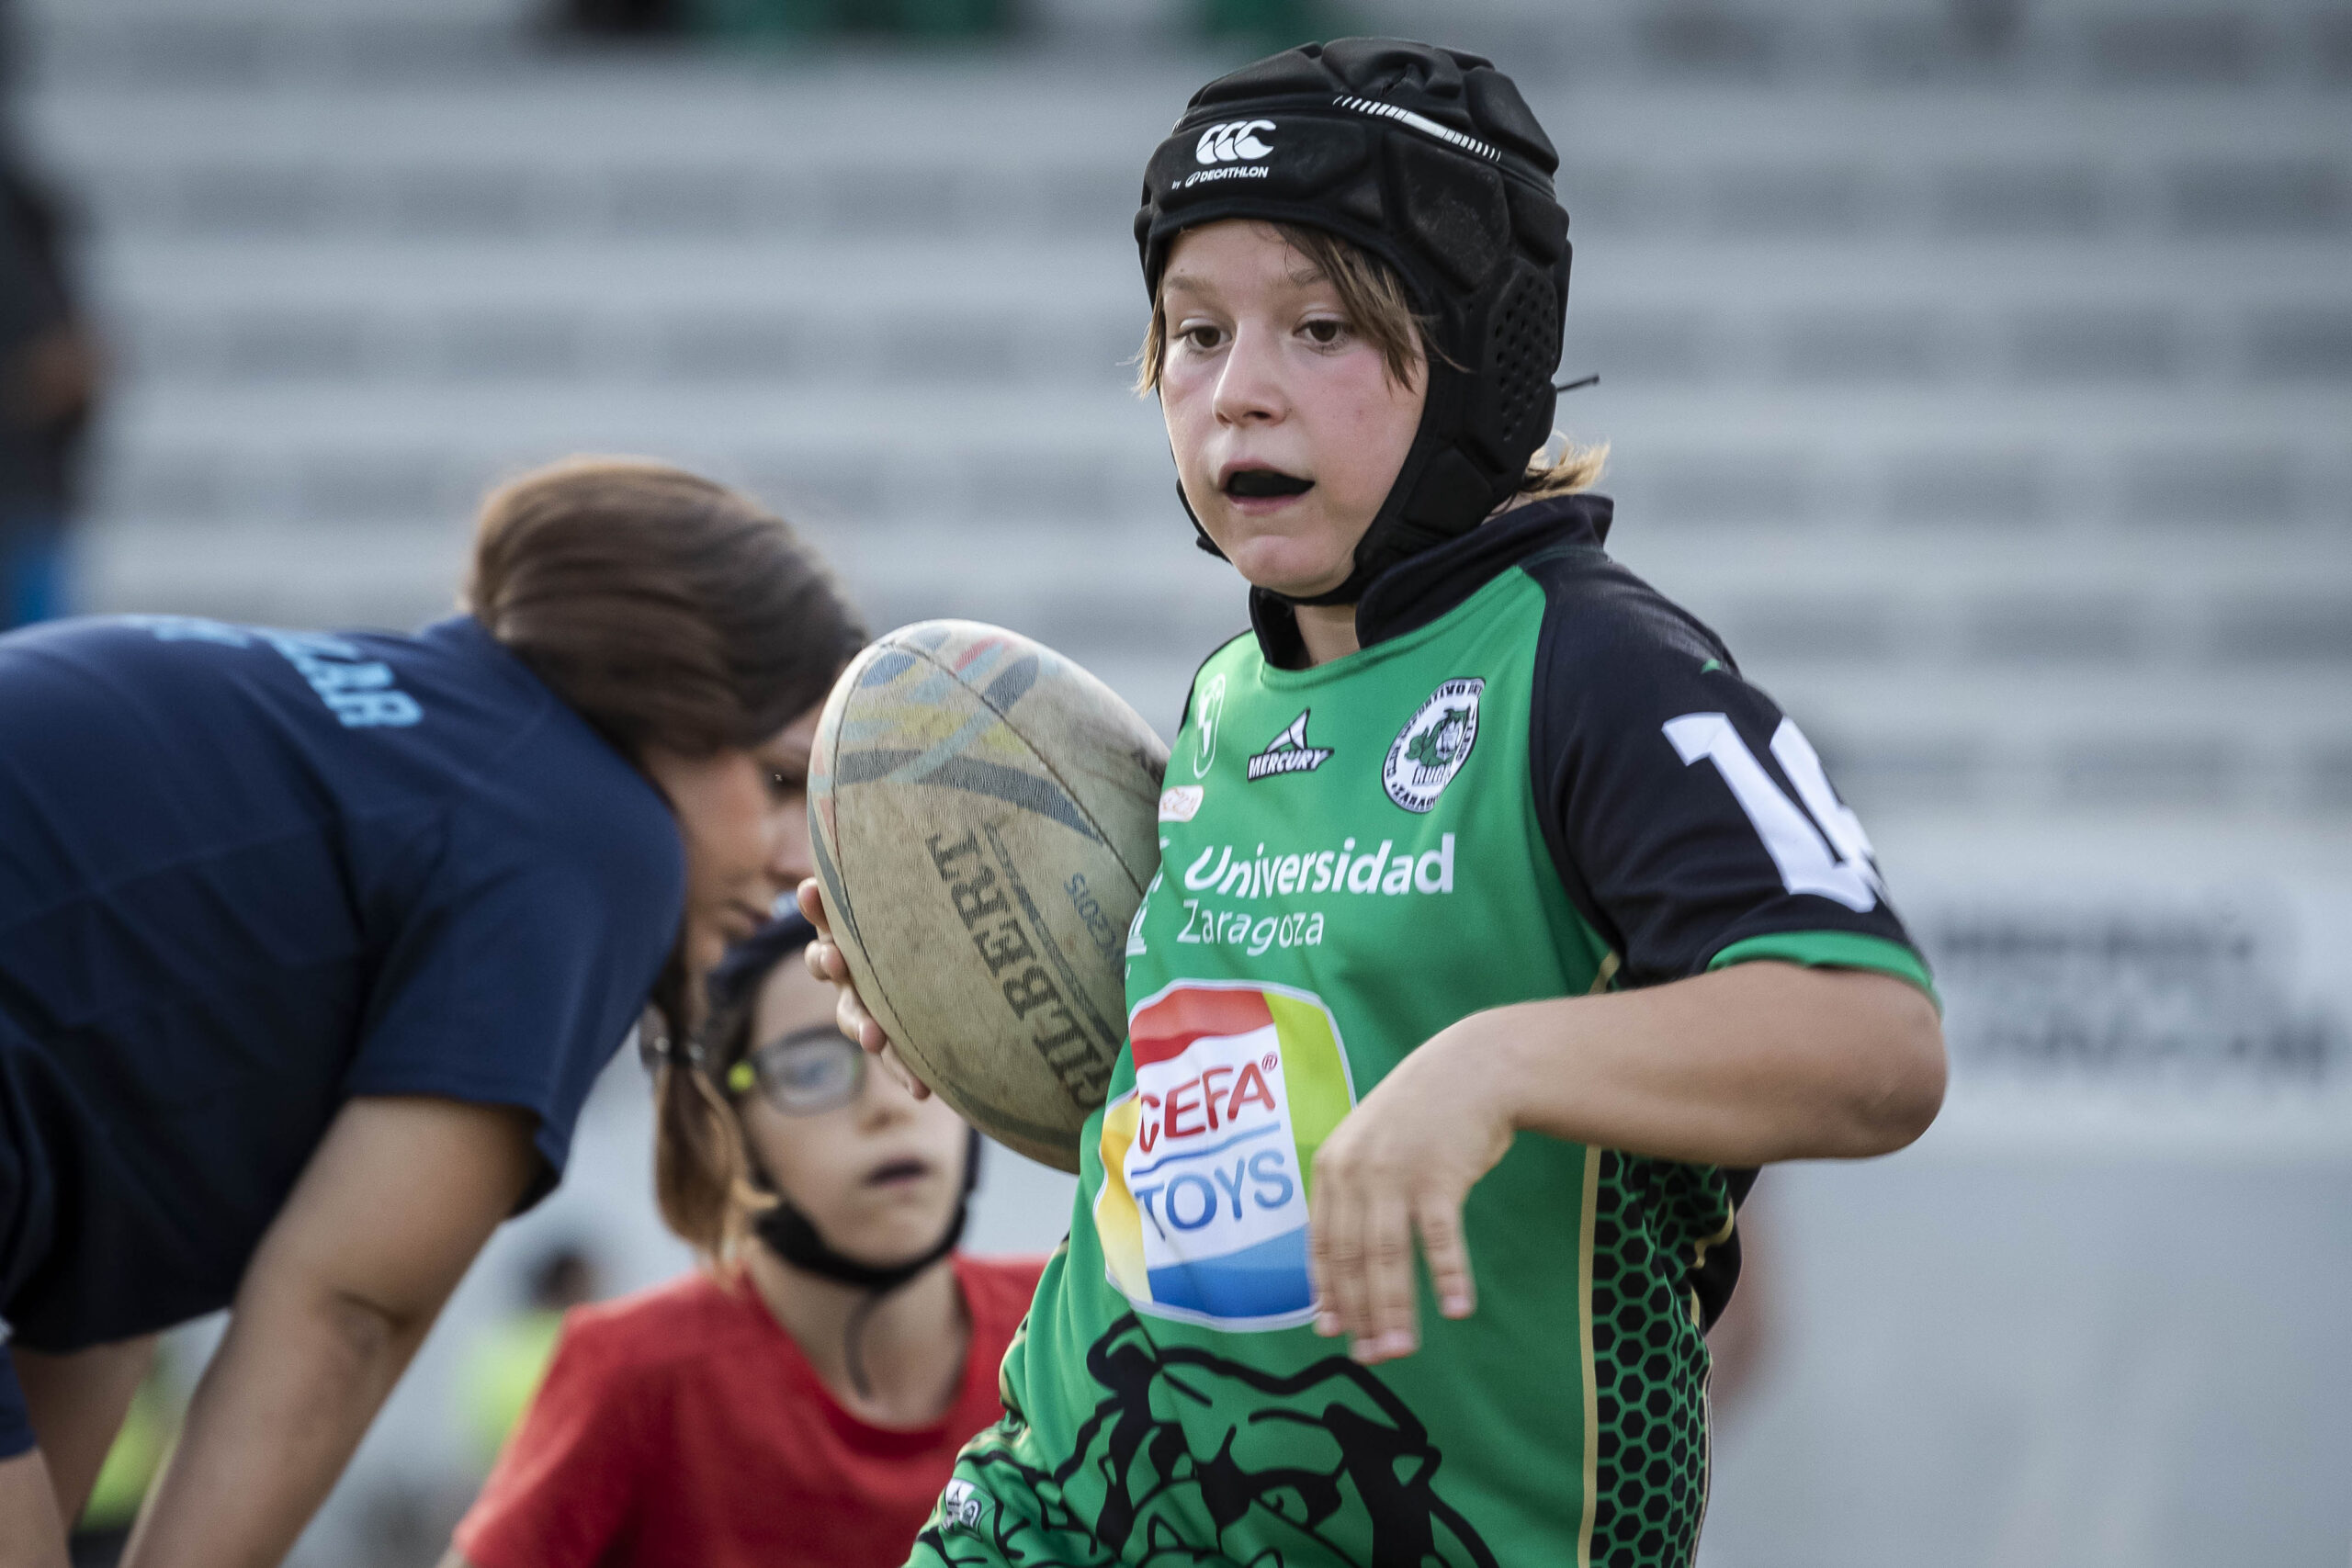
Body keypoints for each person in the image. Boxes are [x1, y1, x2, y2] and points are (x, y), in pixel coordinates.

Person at [802, 38, 1948, 1568]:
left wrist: (1492, 1066)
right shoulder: (1223, 704)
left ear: (1477, 355)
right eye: (1193, 334)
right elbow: (1268, 1176)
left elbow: (1878, 1044)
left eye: (1323, 325)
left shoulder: (1598, 664)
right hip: (1069, 1504)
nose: (1238, 394)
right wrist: (972, 1009)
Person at [0, 457, 863, 1568]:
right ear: (671, 695)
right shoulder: (596, 839)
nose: (800, 862)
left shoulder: (421, 739)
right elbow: (352, 1311)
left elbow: (103, 1304)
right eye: (785, 783)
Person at [445, 916, 1044, 1568]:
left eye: (917, 1049)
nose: (890, 1104)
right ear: (719, 1124)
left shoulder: (1073, 1326)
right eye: (813, 1066)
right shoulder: (632, 1374)